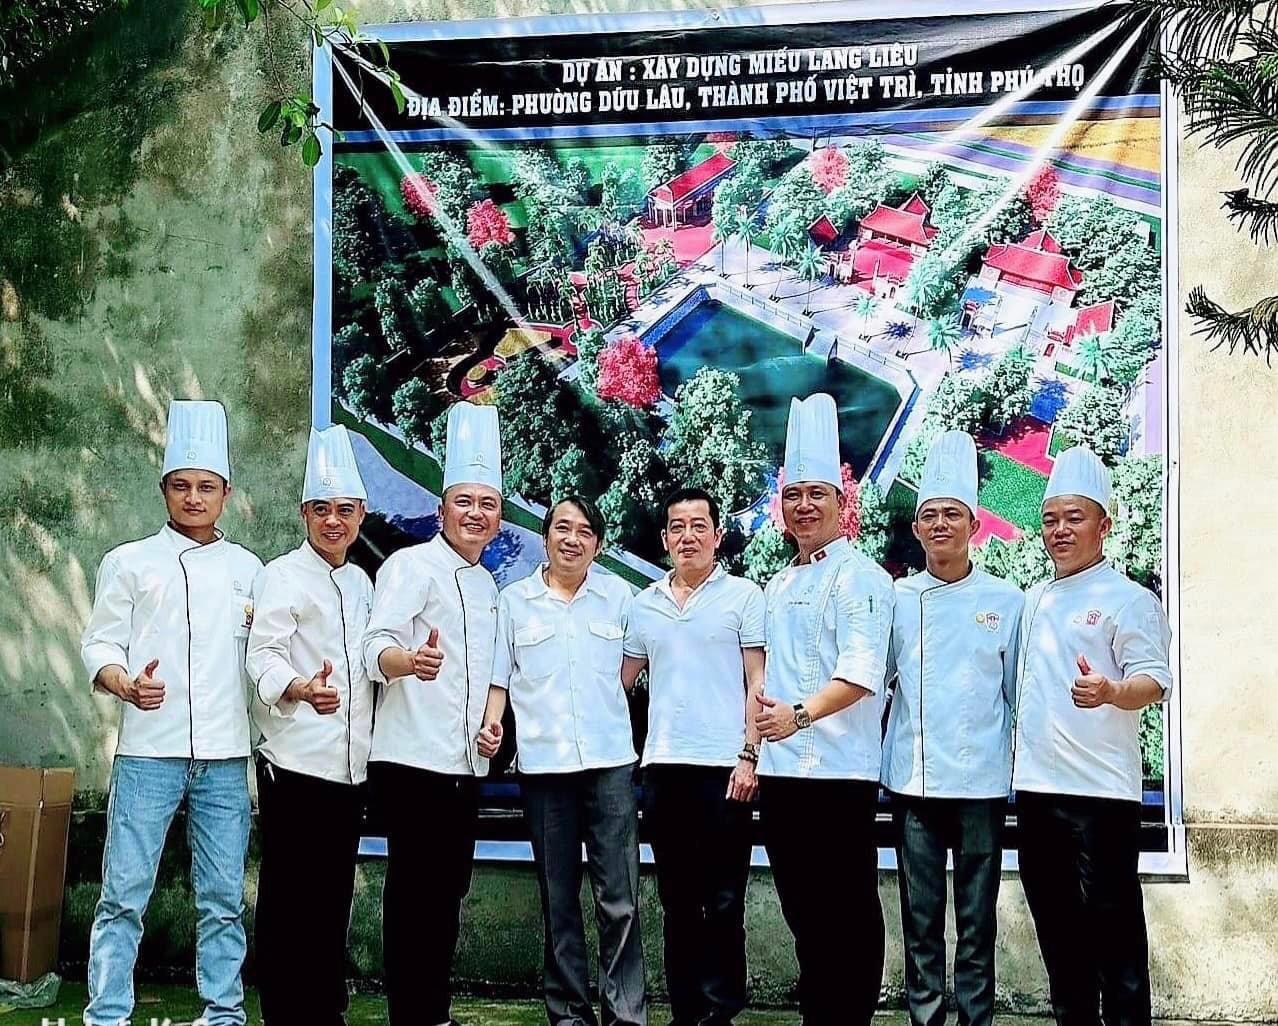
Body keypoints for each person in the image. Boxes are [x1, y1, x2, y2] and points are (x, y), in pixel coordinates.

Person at [79, 400, 262, 1026]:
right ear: (164, 490)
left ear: (226, 494)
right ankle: (107, 1014)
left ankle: (224, 1012)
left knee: (222, 898)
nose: (193, 498)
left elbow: (265, 657)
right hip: (148, 754)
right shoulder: (128, 562)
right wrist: (125, 684)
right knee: (123, 894)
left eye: (206, 487)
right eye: (181, 486)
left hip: (225, 757)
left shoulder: (248, 570)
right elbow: (100, 645)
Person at [1013, 445, 1173, 1026]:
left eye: (1074, 518)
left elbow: (1154, 681)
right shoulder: (1034, 598)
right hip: (1036, 791)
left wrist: (1110, 691)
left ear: (1103, 525)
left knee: (1117, 939)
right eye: (1050, 519)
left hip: (1102, 796)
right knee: (1059, 941)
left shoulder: (1130, 599)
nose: (1060, 530)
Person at [753, 394, 895, 1026]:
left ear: (842, 502)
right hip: (784, 776)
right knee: (803, 913)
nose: (804, 506)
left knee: (848, 913)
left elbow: (861, 674)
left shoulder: (863, 577)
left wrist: (799, 718)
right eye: (793, 495)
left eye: (817, 494)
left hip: (840, 774)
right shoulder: (779, 583)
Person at [476, 495, 645, 1026]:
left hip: (610, 763)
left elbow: (631, 670)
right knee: (558, 899)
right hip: (545, 769)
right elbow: (500, 678)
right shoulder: (514, 602)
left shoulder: (620, 598)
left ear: (599, 544)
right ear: (545, 536)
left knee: (620, 898)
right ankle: (569, 1015)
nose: (573, 539)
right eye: (562, 528)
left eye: (585, 531)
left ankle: (625, 1015)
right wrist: (492, 725)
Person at [362, 401, 503, 1026]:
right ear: (442, 509)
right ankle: (410, 1014)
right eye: (464, 502)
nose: (475, 513)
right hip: (412, 762)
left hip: (463, 766)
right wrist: (408, 662)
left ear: (499, 516)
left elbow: (490, 676)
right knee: (414, 897)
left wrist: (491, 728)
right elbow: (375, 647)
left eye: (487, 504)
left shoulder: (487, 585)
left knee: (448, 894)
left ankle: (434, 1011)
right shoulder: (410, 566)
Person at [881, 431, 1023, 1026]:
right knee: (920, 920)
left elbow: (1016, 695)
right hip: (913, 783)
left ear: (974, 526)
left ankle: (975, 1019)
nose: (940, 524)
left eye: (952, 514)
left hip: (981, 782)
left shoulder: (1007, 601)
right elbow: (876, 681)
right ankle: (925, 1018)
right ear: (917, 529)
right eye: (930, 515)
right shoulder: (896, 597)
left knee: (976, 920)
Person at [622, 486, 765, 1026]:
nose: (688, 536)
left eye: (698, 526)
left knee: (724, 900)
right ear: (664, 538)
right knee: (677, 901)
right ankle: (685, 1011)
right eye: (677, 527)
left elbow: (758, 682)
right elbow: (620, 684)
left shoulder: (743, 597)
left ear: (717, 535)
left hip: (726, 771)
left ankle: (721, 1009)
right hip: (663, 770)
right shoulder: (644, 605)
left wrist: (749, 755)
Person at [246, 425, 375, 1026]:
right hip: (295, 764)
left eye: (344, 510)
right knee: (287, 900)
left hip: (349, 770)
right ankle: (284, 1012)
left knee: (333, 897)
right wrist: (300, 688)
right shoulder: (281, 574)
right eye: (321, 509)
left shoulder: (363, 582)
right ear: (304, 514)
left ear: (361, 515)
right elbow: (263, 655)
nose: (333, 521)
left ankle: (326, 1009)